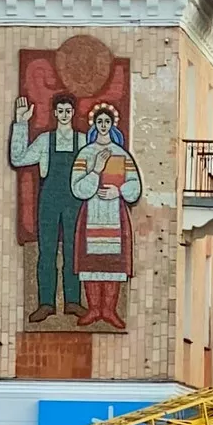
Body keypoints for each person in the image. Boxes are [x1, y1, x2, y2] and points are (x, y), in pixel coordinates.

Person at [9, 93, 88, 323]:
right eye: (60, 111)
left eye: (68, 111)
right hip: (49, 201)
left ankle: (73, 301)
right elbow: (18, 158)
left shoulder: (83, 141)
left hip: (75, 201)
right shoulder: (45, 140)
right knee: (47, 251)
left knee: (73, 250)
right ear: (55, 113)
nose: (64, 115)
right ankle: (46, 303)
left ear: (73, 113)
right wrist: (21, 123)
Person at [70, 104, 141, 330]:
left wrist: (118, 191)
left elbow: (135, 185)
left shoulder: (122, 154)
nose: (103, 126)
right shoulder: (86, 153)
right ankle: (93, 309)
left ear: (112, 125)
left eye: (106, 122)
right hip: (92, 213)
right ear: (95, 124)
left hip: (114, 215)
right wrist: (96, 170)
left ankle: (109, 310)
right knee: (90, 262)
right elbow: (77, 187)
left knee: (113, 262)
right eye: (99, 122)